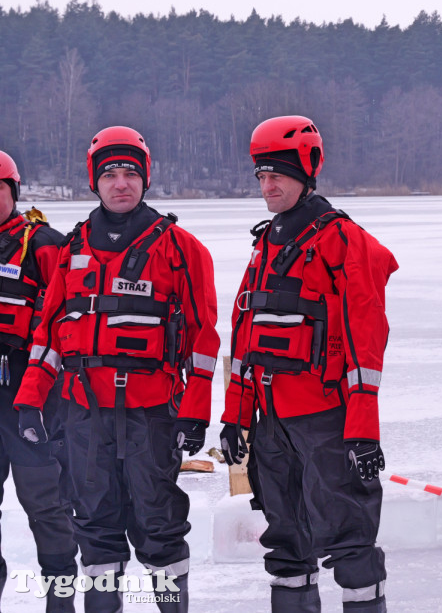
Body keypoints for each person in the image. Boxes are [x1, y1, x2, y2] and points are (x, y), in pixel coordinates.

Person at [14, 126, 219, 612]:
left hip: (152, 414)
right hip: (84, 414)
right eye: (110, 173)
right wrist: (28, 401)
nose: (120, 182)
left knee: (161, 528)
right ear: (95, 181)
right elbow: (46, 338)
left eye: (130, 172)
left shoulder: (181, 248)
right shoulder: (71, 248)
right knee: (96, 531)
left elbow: (203, 339)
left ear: (145, 180)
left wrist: (195, 412)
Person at [219, 115, 396, 613]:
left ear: (306, 174)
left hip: (327, 422)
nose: (268, 185)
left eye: (278, 174)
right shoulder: (266, 245)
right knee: (286, 547)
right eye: (261, 176)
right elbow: (247, 340)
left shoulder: (343, 242)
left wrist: (363, 430)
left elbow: (367, 345)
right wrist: (235, 417)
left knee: (351, 543)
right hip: (271, 426)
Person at [0, 150, 77, 612]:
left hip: (32, 400)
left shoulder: (45, 244)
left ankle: (61, 595)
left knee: (47, 504)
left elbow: (68, 324)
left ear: (13, 192)